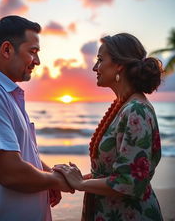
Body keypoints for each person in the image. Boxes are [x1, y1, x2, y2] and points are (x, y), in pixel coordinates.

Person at [0, 15, 73, 221]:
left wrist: (46, 174)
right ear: (7, 50)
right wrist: (58, 181)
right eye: (32, 52)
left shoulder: (4, 92)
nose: (37, 61)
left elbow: (19, 152)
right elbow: (10, 171)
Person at [54, 33, 164, 220]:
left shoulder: (136, 110)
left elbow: (129, 182)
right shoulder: (124, 106)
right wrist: (74, 178)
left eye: (100, 60)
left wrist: (80, 184)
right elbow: (112, 172)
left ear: (119, 64)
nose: (95, 67)